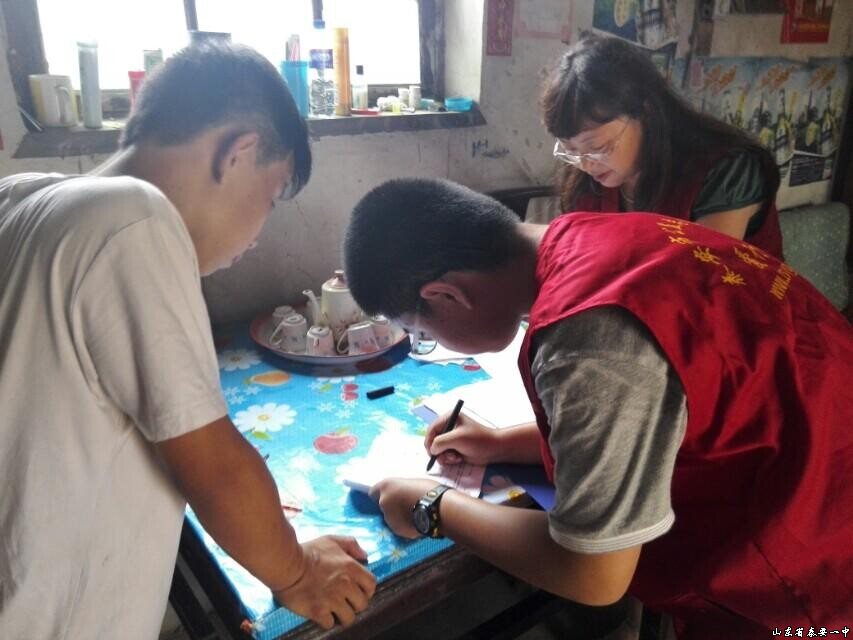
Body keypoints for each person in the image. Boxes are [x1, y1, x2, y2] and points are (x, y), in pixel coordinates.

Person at [342, 177, 853, 638]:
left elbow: (593, 571)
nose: (433, 342)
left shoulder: (587, 337)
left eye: (423, 331)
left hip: (813, 589)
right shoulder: (599, 237)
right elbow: (663, 410)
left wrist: (432, 505)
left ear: (446, 294)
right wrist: (501, 443)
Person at [0, 41, 375, 639]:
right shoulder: (133, 219)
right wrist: (299, 571)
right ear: (237, 154)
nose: (257, 234)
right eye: (271, 196)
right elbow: (215, 468)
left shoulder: (21, 199)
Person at [543, 34, 784, 260]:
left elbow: (701, 277)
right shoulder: (585, 181)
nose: (585, 165)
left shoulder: (725, 171)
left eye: (599, 147)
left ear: (646, 112)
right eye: (570, 151)